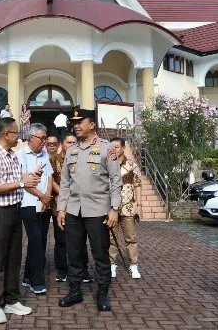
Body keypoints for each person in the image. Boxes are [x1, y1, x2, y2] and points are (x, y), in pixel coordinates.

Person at [57, 109, 122, 312]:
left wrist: (114, 209)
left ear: (92, 125)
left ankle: (102, 292)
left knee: (100, 254)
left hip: (98, 211)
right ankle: (75, 291)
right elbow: (66, 182)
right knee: (74, 253)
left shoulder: (106, 148)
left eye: (80, 121)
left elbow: (115, 180)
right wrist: (61, 209)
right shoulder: (71, 150)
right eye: (74, 122)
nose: (75, 125)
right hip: (74, 211)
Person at [0, 117, 41, 324]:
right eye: (16, 133)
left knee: (14, 258)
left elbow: (17, 181)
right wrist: (22, 183)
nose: (19, 137)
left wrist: (30, 177)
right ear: (6, 134)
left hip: (15, 211)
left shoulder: (11, 155)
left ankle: (11, 299)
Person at [49, 133, 92, 283]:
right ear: (62, 143)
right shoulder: (54, 159)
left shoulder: (82, 158)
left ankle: (83, 270)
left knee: (80, 240)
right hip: (60, 205)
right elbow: (51, 180)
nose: (72, 144)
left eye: (75, 142)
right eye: (69, 142)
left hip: (80, 205)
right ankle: (62, 270)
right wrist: (64, 193)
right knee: (61, 240)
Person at [17, 123, 53, 295]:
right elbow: (24, 183)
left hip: (44, 204)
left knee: (39, 241)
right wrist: (41, 195)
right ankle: (36, 281)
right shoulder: (21, 155)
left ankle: (27, 276)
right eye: (42, 138)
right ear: (31, 138)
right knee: (37, 241)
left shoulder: (44, 154)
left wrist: (47, 197)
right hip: (29, 204)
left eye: (45, 138)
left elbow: (50, 176)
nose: (44, 142)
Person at [108, 138, 142, 279]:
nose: (114, 149)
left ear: (123, 148)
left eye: (117, 147)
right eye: (112, 147)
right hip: (111, 207)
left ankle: (133, 265)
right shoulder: (107, 165)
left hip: (128, 206)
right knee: (111, 237)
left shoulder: (132, 165)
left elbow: (138, 185)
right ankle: (111, 264)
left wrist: (139, 206)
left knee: (131, 237)